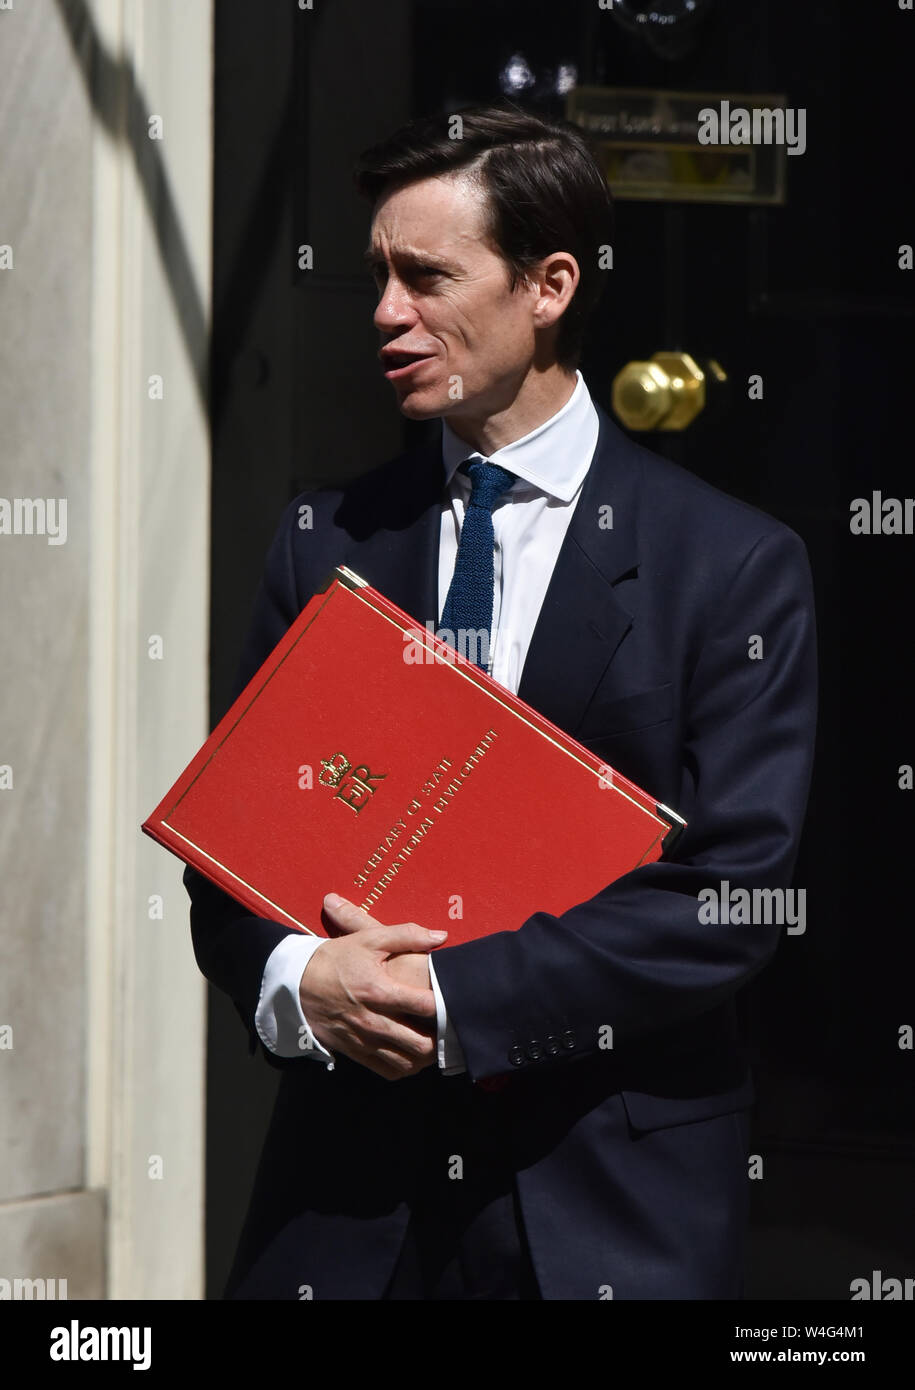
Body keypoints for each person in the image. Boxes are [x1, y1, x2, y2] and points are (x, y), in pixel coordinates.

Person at [184, 104, 817, 1300]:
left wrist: (452, 995)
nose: (384, 312)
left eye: (426, 276)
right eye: (377, 274)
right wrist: (297, 987)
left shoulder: (731, 564)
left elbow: (736, 894)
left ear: (551, 286)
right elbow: (233, 852)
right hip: (348, 1213)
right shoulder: (325, 542)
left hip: (606, 1211)